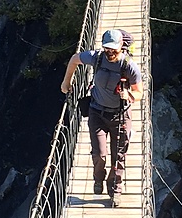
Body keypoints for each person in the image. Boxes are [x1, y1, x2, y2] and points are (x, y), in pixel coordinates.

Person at [61, 29, 143, 207]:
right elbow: (75, 59)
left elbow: (139, 93)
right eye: (107, 48)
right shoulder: (97, 57)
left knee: (118, 156)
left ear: (122, 47)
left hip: (120, 115)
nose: (110, 52)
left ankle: (115, 190)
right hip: (97, 112)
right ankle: (98, 178)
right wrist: (66, 82)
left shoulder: (129, 66)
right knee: (99, 154)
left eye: (114, 49)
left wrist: (128, 94)